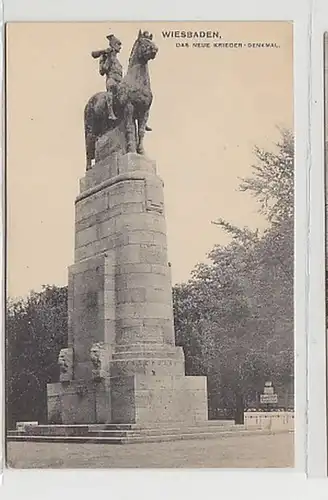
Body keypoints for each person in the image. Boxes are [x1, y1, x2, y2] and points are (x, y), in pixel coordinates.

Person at [91, 34, 123, 121]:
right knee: (111, 91)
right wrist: (108, 57)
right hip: (111, 80)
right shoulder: (105, 57)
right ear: (113, 45)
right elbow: (102, 71)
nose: (120, 47)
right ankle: (110, 113)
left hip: (120, 82)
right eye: (118, 44)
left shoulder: (118, 62)